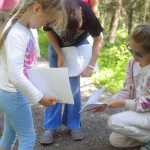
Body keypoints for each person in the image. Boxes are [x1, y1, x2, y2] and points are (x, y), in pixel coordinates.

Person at [0, 0, 66, 149]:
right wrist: (40, 98)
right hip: (13, 94)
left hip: (11, 93)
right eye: (47, 21)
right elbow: (16, 76)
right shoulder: (17, 33)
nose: (46, 26)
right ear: (37, 8)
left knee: (10, 132)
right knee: (28, 136)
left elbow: (28, 65)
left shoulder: (26, 29)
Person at [40, 0, 103, 145]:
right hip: (57, 45)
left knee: (72, 87)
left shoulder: (88, 14)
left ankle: (73, 124)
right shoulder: (52, 10)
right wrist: (60, 54)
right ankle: (50, 127)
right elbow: (49, 32)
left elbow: (98, 39)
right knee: (55, 84)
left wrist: (91, 66)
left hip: (78, 46)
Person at [92, 24, 150, 150]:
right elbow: (127, 90)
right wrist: (108, 103)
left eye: (139, 54)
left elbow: (147, 103)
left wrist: (123, 103)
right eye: (131, 50)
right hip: (140, 114)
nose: (134, 57)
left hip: (147, 113)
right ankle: (145, 138)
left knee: (114, 121)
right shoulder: (132, 63)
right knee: (116, 140)